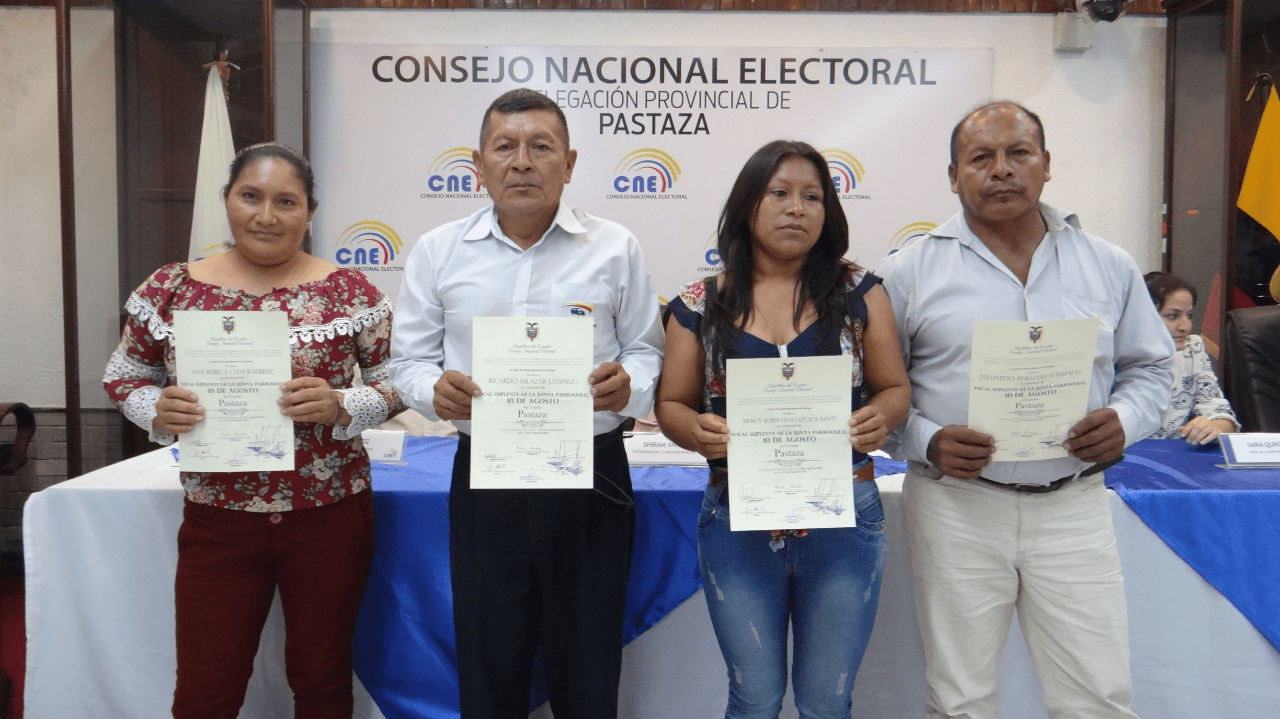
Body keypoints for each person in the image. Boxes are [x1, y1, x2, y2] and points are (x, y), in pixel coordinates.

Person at [876, 102, 1174, 719]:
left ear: (1047, 165)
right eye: (980, 158)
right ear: (954, 177)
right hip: (956, 504)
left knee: (1099, 696)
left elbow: (1151, 370)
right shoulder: (906, 274)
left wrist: (1126, 421)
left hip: (1073, 504)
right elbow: (876, 394)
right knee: (959, 699)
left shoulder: (1108, 264)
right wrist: (926, 439)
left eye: (1019, 153)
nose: (1001, 170)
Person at [103, 141, 405, 718]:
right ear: (227, 202)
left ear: (309, 212)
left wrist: (343, 403)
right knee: (204, 691)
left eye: (286, 201)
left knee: (321, 683)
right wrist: (153, 409)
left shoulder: (349, 293)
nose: (267, 215)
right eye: (251, 196)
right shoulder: (172, 290)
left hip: (329, 517)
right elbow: (124, 375)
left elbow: (397, 382)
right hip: (219, 521)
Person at [388, 89, 664, 719]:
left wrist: (631, 385)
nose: (522, 162)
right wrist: (431, 390)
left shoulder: (615, 246)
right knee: (490, 661)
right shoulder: (437, 251)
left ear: (568, 164)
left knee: (589, 664)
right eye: (504, 147)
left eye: (540, 147)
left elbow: (648, 349)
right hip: (487, 476)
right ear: (477, 163)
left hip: (592, 472)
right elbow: (407, 361)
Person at [655, 140, 911, 719]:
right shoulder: (699, 304)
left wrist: (883, 415)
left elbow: (895, 389)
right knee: (755, 697)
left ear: (829, 212)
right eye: (779, 193)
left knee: (826, 701)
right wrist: (695, 430)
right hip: (736, 520)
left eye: (812, 196)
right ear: (748, 205)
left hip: (845, 513)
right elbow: (671, 403)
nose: (796, 207)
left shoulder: (862, 295)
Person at [1143, 271, 1240, 442]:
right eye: (1172, 316)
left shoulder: (1192, 349)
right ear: (1141, 317)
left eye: (1189, 316)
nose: (1185, 326)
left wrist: (1216, 426)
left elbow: (1221, 414)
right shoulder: (1112, 356)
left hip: (1171, 458)